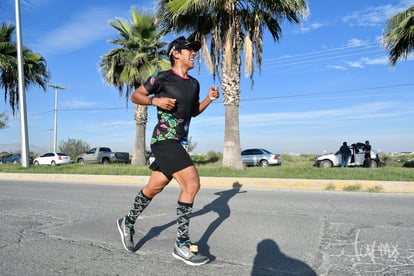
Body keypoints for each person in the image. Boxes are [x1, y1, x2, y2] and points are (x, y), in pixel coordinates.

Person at [116, 36, 219, 266]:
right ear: (176, 53)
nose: (194, 53)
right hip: (164, 140)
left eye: (194, 50)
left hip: (179, 142)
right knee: (192, 185)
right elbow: (136, 95)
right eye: (189, 50)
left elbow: (193, 112)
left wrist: (208, 100)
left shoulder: (194, 84)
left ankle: (127, 222)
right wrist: (155, 102)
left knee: (154, 187)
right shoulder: (163, 78)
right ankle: (181, 244)